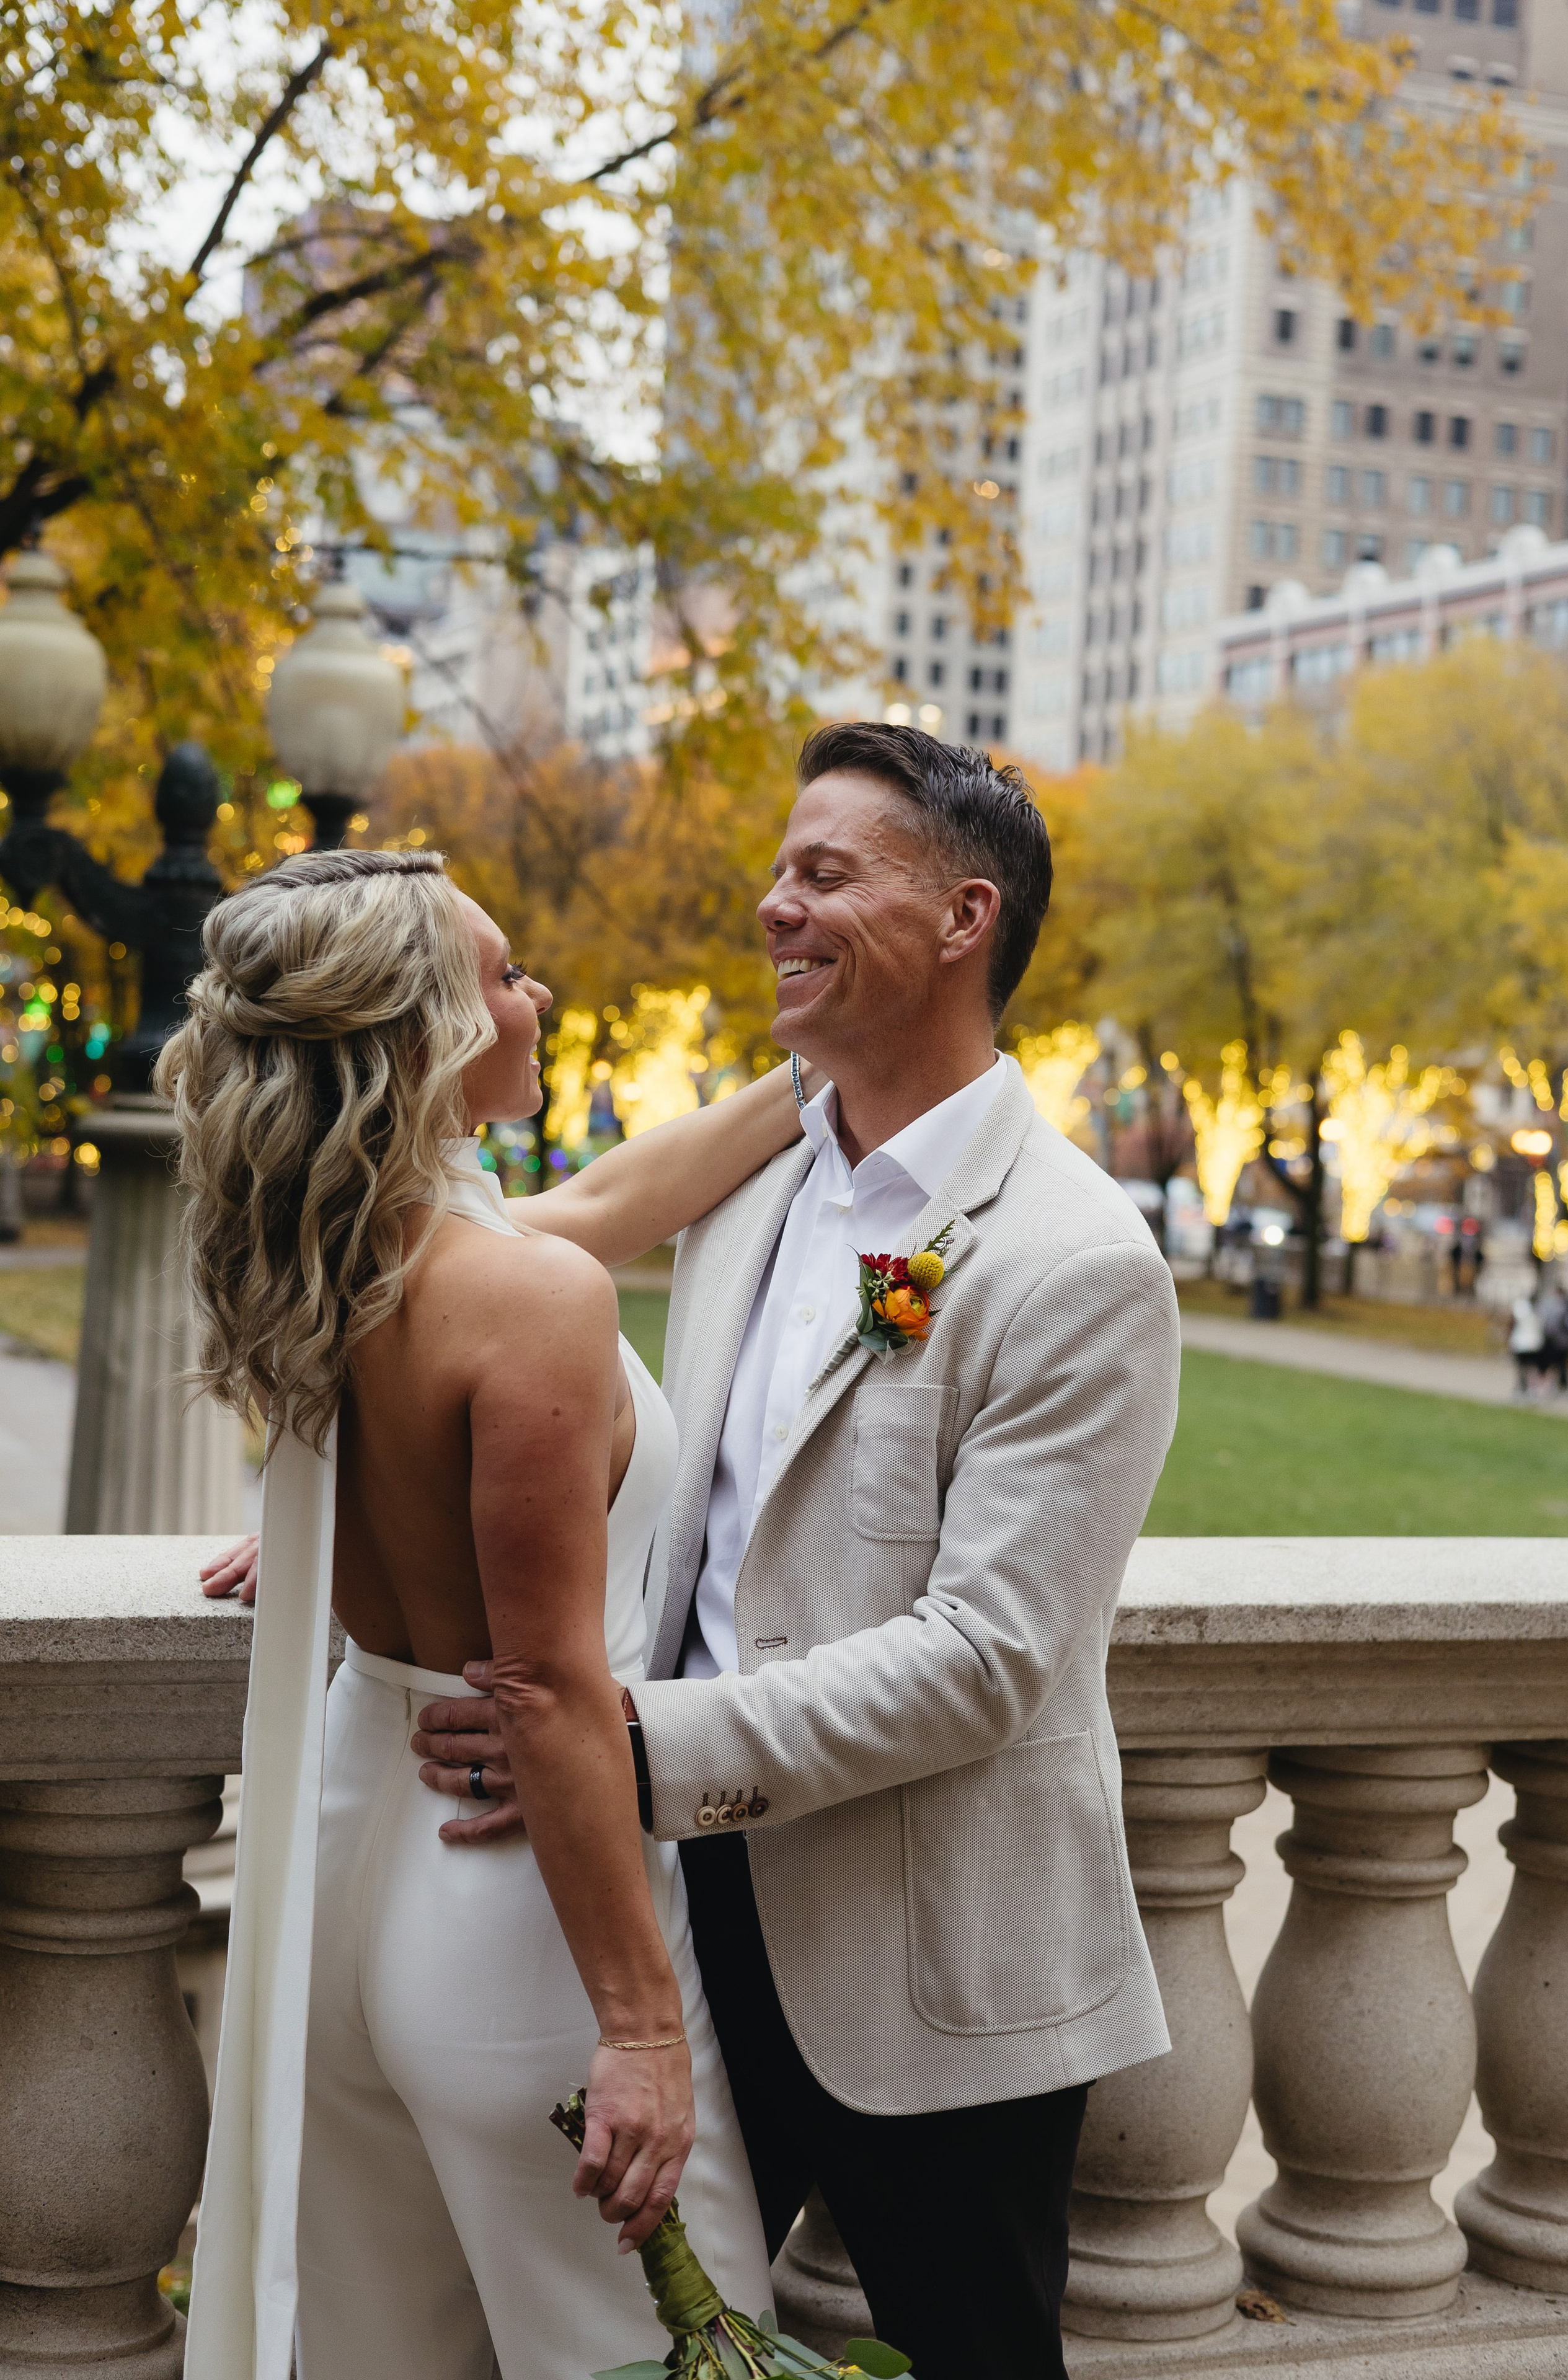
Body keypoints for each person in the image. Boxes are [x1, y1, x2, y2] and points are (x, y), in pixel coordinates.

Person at [413, 724, 1181, 2379]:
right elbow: (494, 1308)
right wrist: (342, 1506)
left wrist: (624, 1746)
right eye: (781, 870)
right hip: (679, 1923)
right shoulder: (754, 1177)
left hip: (937, 1964)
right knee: (654, 2345)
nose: (775, 906)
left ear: (967, 916)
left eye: (825, 872)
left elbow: (988, 1657)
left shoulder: (1076, 1258)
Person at [166, 847, 810, 2380]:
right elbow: (550, 1689)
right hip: (513, 1916)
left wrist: (822, 1074)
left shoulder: (338, 1259)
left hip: (338, 1878)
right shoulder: (527, 1298)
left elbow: (608, 1196)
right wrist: (643, 2030)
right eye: (505, 975)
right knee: (664, 2359)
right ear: (419, 1038)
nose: (535, 995)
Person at [1510, 1288, 1546, 1398]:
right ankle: (1530, 1389)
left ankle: (1522, 1389)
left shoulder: (1521, 1309)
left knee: (1522, 1368)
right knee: (1531, 1368)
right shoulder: (1539, 1310)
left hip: (1522, 1343)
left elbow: (1512, 1323)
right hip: (1534, 1343)